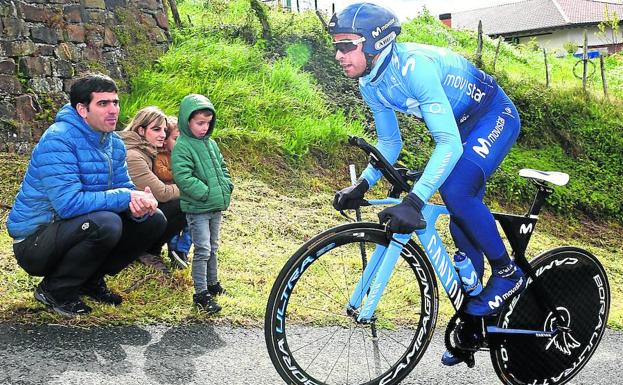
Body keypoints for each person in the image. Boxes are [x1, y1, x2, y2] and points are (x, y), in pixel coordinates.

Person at [328, 3, 525, 364]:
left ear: (374, 42)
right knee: (459, 215)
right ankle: (474, 325)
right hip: (461, 125)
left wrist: (415, 201)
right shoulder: (370, 82)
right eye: (336, 46)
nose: (339, 54)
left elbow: (448, 143)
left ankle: (507, 273)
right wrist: (365, 184)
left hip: (492, 115)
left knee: (456, 191)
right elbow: (390, 143)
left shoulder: (413, 66)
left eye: (346, 45)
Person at [6, 73, 166, 317]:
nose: (113, 110)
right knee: (106, 223)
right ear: (82, 109)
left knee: (154, 220)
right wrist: (125, 196)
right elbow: (68, 205)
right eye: (103, 104)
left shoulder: (114, 144)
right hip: (36, 242)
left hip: (76, 228)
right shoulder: (58, 139)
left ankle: (90, 281)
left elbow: (124, 188)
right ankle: (55, 290)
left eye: (115, 102)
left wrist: (140, 203)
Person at [172, 94, 233, 314]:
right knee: (203, 250)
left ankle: (213, 283)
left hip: (215, 207)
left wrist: (227, 185)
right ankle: (200, 293)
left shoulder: (211, 144)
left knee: (213, 247)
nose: (204, 128)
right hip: (198, 209)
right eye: (200, 123)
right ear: (186, 121)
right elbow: (183, 177)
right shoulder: (183, 146)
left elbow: (222, 168)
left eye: (208, 123)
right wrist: (206, 193)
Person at [120, 107, 189, 274]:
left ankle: (151, 249)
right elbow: (161, 193)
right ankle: (145, 250)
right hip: (126, 219)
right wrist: (190, 186)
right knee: (184, 203)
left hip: (135, 212)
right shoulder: (134, 156)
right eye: (156, 129)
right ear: (141, 130)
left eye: (164, 130)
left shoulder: (147, 151)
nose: (163, 135)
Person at [153, 116, 193, 269]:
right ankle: (173, 249)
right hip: (169, 197)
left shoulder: (184, 156)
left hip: (179, 194)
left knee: (192, 222)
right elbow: (161, 173)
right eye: (176, 139)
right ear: (165, 140)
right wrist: (181, 174)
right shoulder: (160, 157)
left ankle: (182, 250)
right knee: (177, 223)